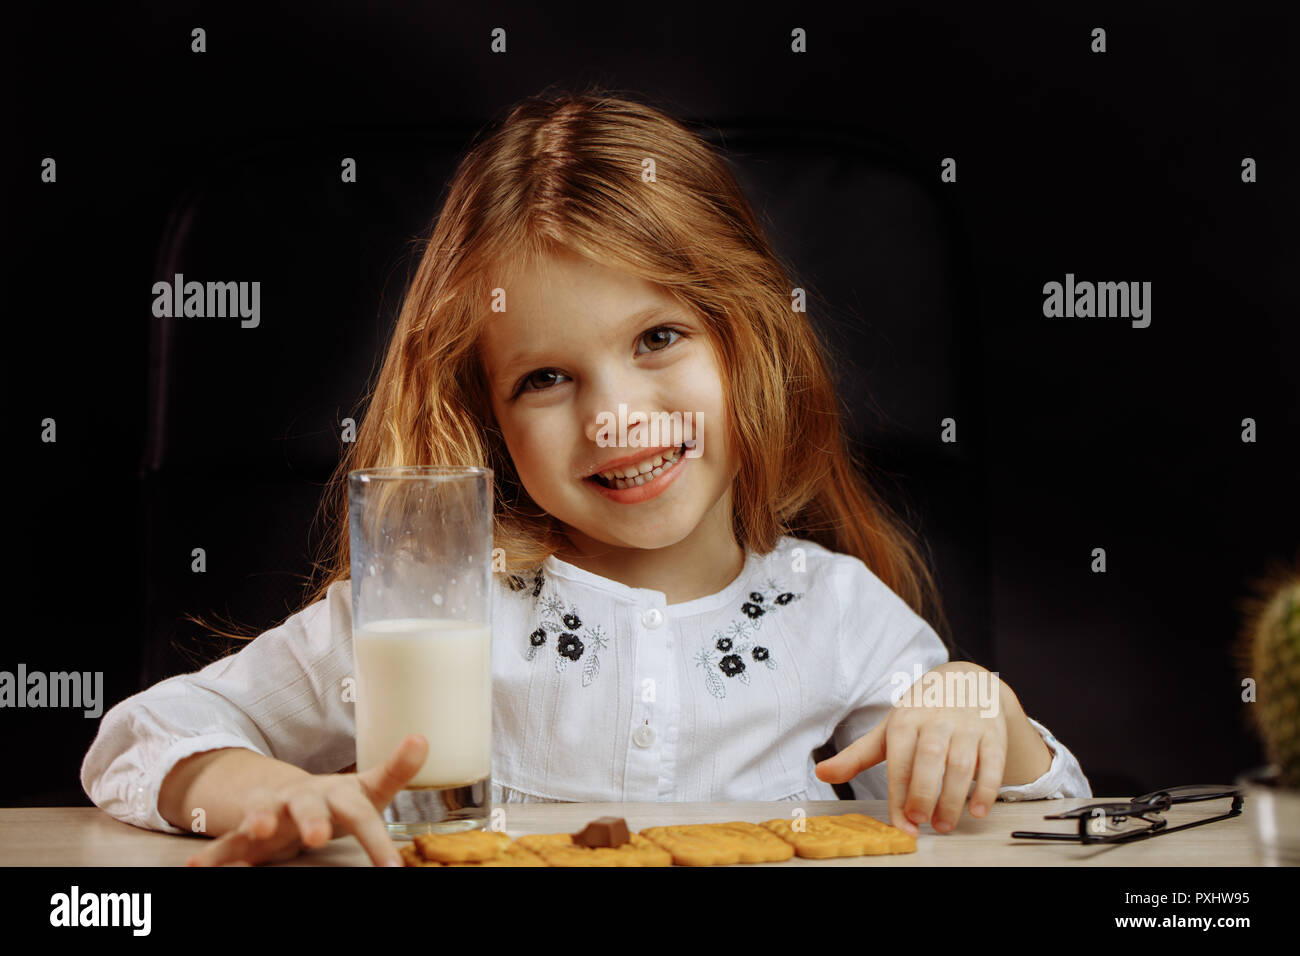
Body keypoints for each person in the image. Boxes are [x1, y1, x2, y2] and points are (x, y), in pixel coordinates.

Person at [81, 89, 1091, 867]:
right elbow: (142, 736)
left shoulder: (839, 618)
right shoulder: (431, 614)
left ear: (746, 341)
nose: (614, 417)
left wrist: (975, 704)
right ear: (488, 413)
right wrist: (258, 787)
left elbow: (1042, 812)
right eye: (547, 377)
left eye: (658, 336)